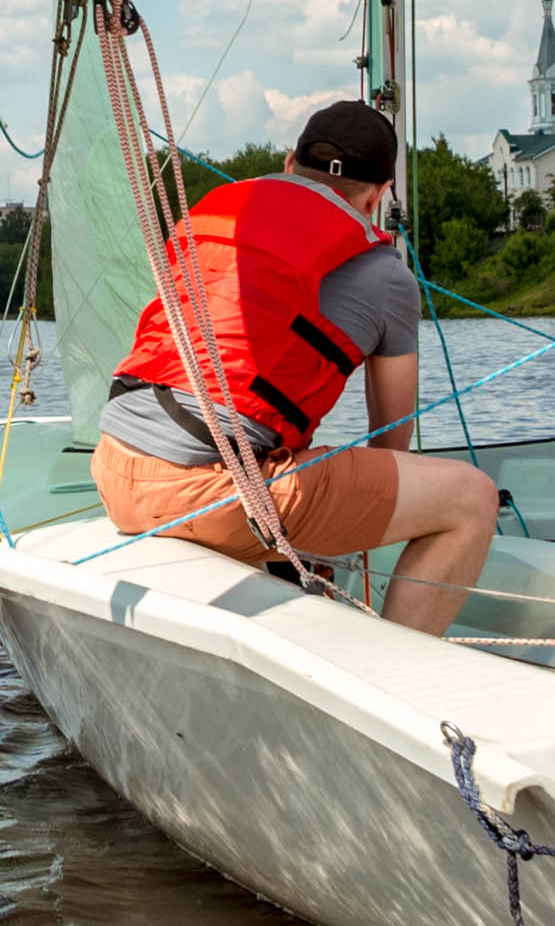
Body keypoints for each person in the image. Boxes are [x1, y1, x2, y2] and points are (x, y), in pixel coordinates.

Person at [95, 96, 502, 635]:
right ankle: (398, 674)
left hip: (115, 466)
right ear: (379, 197)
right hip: (205, 492)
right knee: (472, 498)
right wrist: (355, 521)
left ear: (289, 164)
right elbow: (391, 441)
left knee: (285, 466)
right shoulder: (385, 276)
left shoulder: (219, 214)